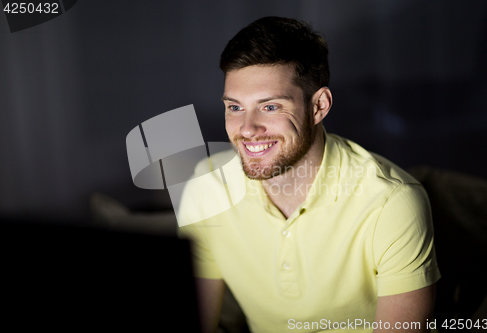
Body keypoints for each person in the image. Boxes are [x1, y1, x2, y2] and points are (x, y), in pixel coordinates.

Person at [178, 17, 440, 333]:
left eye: (270, 107)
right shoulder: (208, 186)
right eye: (234, 108)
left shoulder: (391, 202)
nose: (247, 129)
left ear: (319, 106)